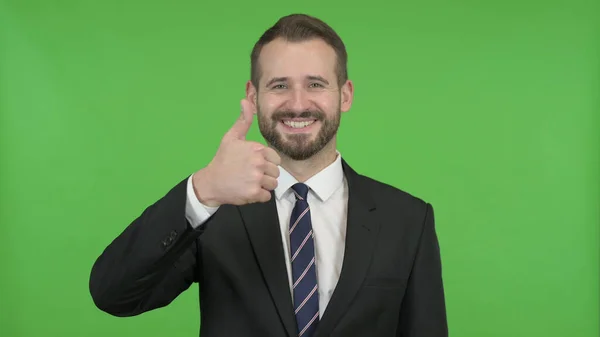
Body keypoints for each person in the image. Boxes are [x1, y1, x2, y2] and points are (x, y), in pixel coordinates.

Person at [89, 13, 448, 337]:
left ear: (345, 94)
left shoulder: (408, 220)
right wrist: (203, 191)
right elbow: (114, 295)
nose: (297, 103)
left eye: (315, 84)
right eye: (279, 85)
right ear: (253, 96)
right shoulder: (214, 209)